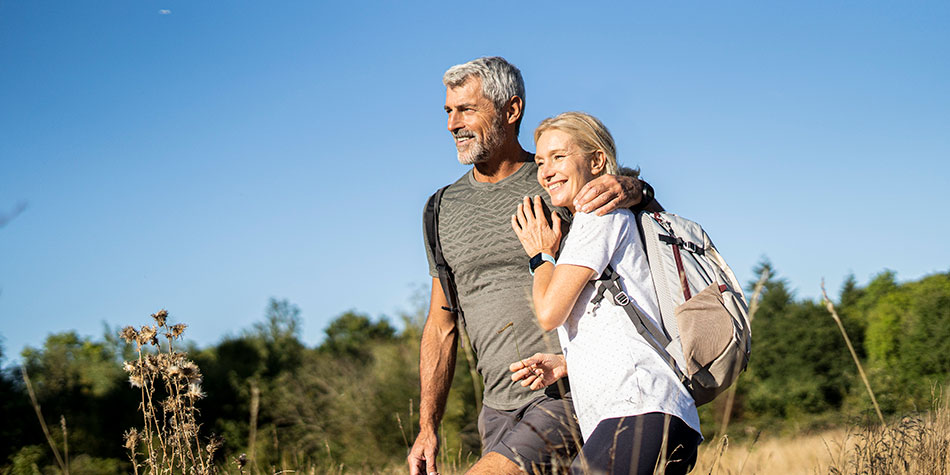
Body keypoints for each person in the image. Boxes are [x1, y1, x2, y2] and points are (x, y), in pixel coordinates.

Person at [409, 57, 652, 475]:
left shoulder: (554, 179)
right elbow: (440, 324)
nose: (452, 124)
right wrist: (427, 426)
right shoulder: (440, 208)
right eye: (449, 111)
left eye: (467, 109)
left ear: (511, 110)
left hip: (565, 391)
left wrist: (633, 187)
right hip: (497, 408)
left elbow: (634, 218)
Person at [509, 112, 702, 474]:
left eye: (559, 157)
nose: (546, 171)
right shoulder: (603, 220)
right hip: (649, 410)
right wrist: (568, 364)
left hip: (639, 406)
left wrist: (539, 255)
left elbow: (549, 313)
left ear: (597, 160)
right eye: (539, 161)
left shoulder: (596, 214)